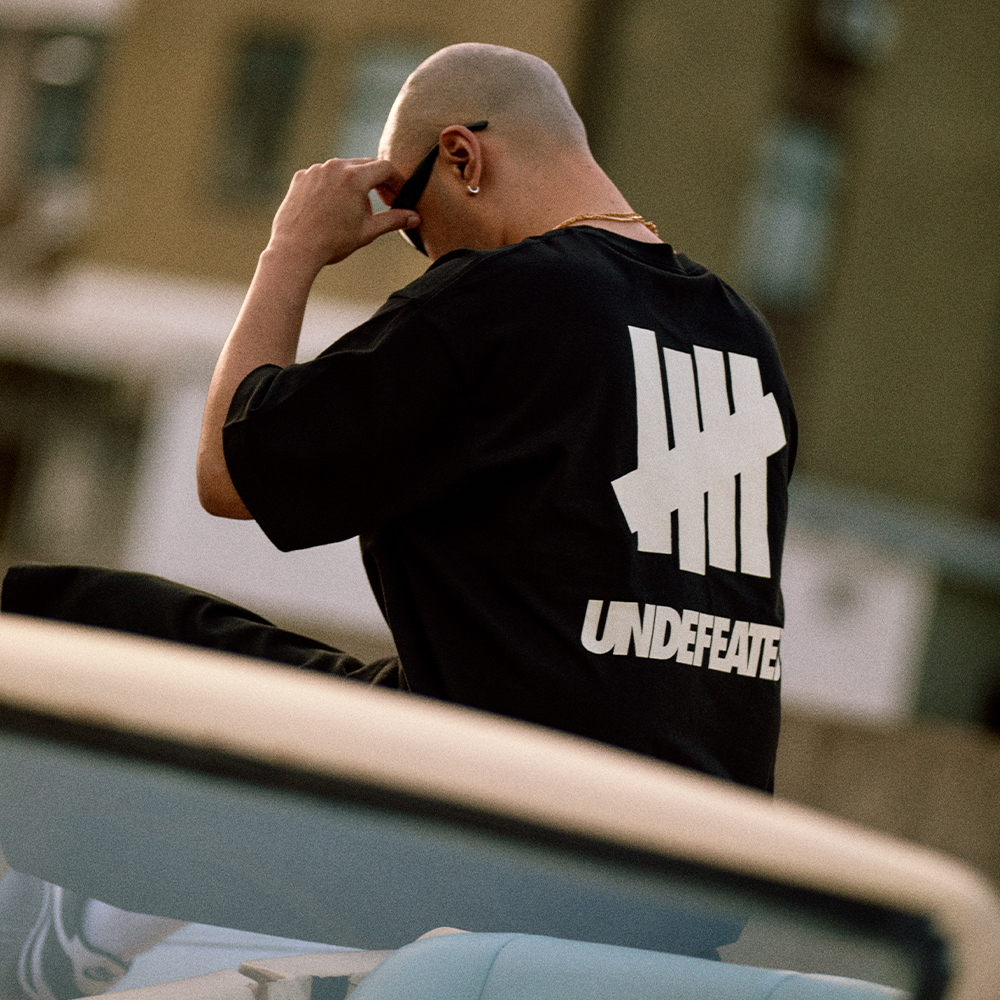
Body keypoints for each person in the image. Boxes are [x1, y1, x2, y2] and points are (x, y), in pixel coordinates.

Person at [0, 41, 796, 992]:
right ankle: (99, 923)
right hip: (696, 873)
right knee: (335, 693)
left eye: (415, 227)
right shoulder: (741, 334)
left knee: (74, 620)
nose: (422, 253)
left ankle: (85, 918)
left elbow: (228, 470)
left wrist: (291, 249)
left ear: (463, 156)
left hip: (498, 843)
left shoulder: (516, 295)